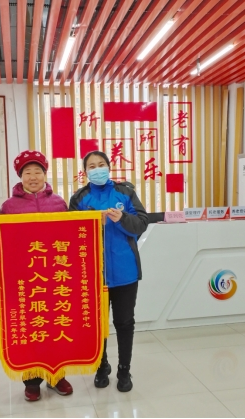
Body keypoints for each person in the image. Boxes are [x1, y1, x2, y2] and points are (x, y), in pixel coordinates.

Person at [69, 151, 148, 392]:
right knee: (96, 324)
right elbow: (70, 235)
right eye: (92, 166)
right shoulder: (79, 198)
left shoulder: (125, 193)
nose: (97, 169)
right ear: (85, 172)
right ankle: (101, 366)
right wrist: (93, 222)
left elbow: (141, 223)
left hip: (125, 271)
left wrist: (122, 218)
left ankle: (124, 369)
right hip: (92, 274)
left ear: (109, 167)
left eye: (101, 164)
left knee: (124, 322)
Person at [0, 150, 73, 401]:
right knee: (31, 328)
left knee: (57, 324)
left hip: (55, 276)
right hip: (25, 278)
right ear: (20, 176)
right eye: (27, 172)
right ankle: (31, 381)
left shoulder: (59, 203)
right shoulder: (9, 207)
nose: (33, 177)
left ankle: (57, 375)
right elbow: (3, 244)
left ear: (45, 174)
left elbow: (69, 238)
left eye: (38, 171)